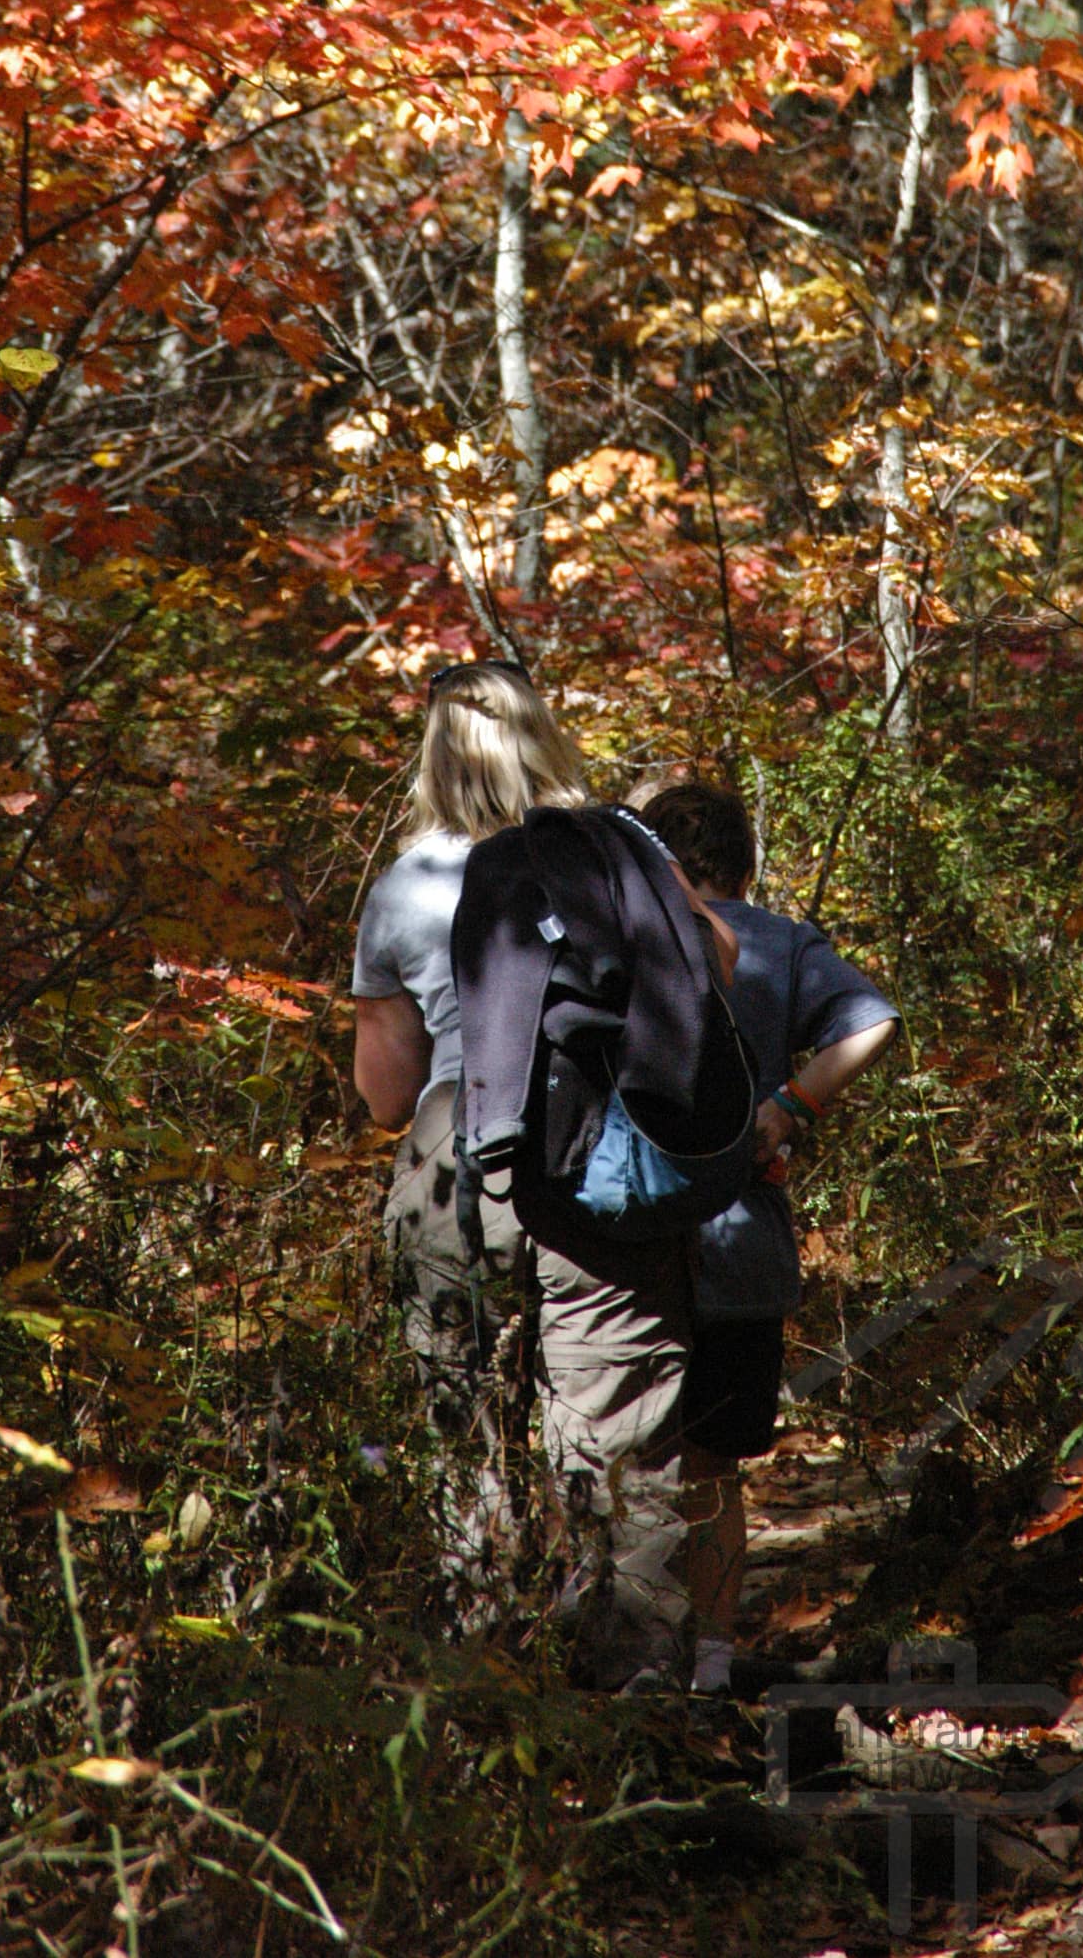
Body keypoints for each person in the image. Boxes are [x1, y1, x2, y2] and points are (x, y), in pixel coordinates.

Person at [638, 779, 898, 1695]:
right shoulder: (781, 942)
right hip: (741, 1246)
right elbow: (872, 1021)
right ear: (745, 861)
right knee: (713, 1465)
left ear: (655, 856)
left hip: (627, 1245)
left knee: (627, 1453)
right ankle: (707, 1664)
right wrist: (787, 1108)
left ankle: (635, 1657)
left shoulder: (627, 933)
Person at [350, 658, 591, 1611]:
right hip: (596, 1144)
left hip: (460, 1145)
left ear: (435, 759)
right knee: (597, 1403)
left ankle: (488, 1623)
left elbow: (383, 1094)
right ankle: (618, 1637)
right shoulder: (608, 855)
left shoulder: (406, 888)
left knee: (461, 1404)